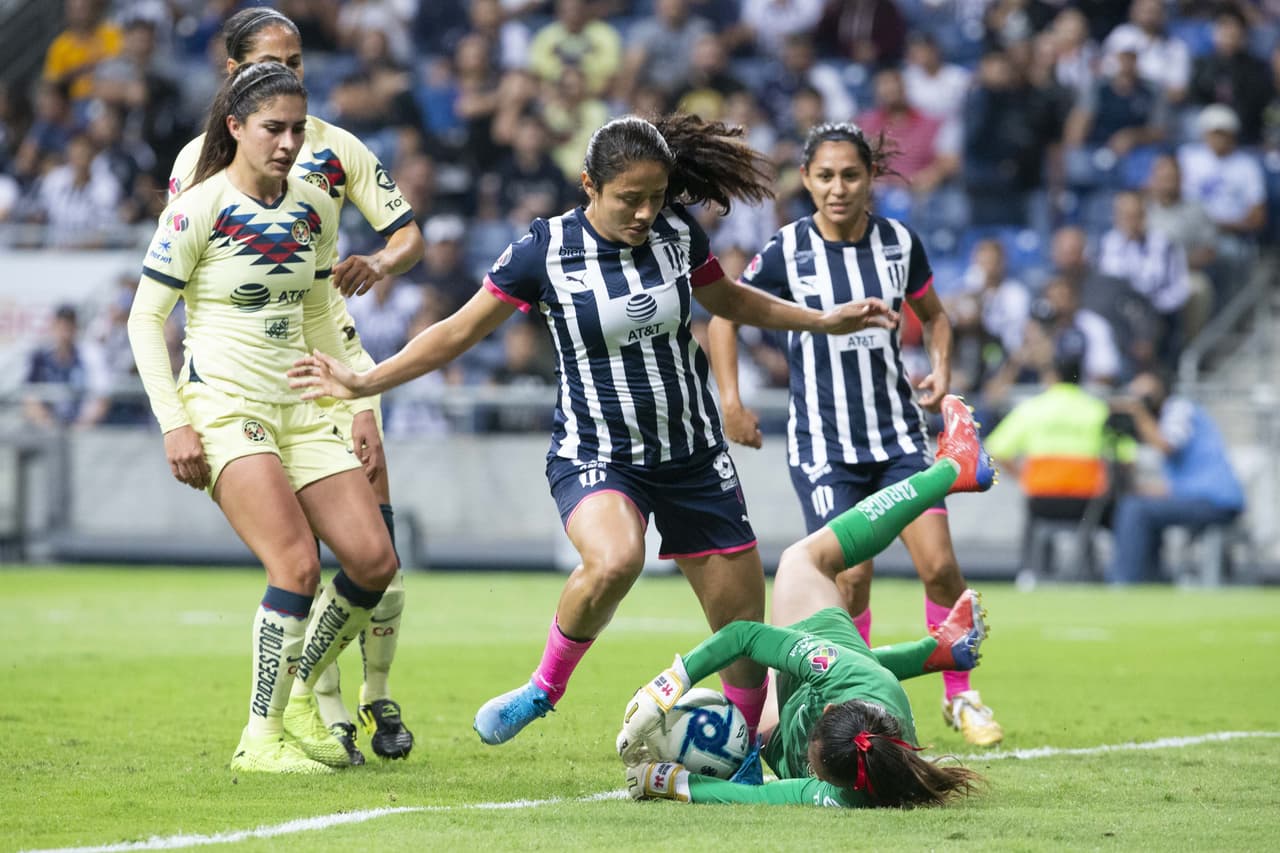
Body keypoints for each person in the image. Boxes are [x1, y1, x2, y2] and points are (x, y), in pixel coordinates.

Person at [289, 114, 899, 749]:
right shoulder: (543, 249)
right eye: (628, 199)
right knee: (615, 560)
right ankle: (542, 690)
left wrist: (823, 322)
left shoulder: (676, 235)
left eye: (656, 198)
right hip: (598, 452)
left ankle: (743, 745)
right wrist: (368, 382)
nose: (644, 213)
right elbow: (458, 331)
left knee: (741, 632)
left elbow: (732, 303)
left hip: (692, 455)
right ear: (589, 185)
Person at [168, 7, 424, 765]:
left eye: (299, 60)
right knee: (297, 559)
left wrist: (380, 264)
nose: (292, 74)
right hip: (244, 376)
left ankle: (351, 691)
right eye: (271, 62)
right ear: (232, 78)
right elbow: (186, 285)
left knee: (377, 557)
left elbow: (407, 234)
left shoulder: (335, 151)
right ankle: (320, 707)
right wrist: (194, 400)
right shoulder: (197, 169)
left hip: (332, 363)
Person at [706, 122, 1004, 746]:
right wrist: (730, 402)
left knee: (942, 566)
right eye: (824, 176)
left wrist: (942, 368)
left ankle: (961, 697)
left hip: (896, 435)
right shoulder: (787, 250)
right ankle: (857, 707)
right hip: (825, 448)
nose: (837, 188)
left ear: (871, 178)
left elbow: (937, 316)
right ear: (807, 181)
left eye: (850, 175)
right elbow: (725, 318)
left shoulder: (899, 243)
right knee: (849, 579)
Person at [618, 395, 992, 806]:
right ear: (833, 708)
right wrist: (665, 772)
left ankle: (939, 646)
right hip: (826, 695)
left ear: (829, 708)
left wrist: (665, 709)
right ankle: (953, 470)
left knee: (803, 562)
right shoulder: (853, 748)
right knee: (807, 573)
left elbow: (751, 797)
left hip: (783, 730)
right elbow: (748, 639)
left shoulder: (846, 789)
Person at [1105, 371, 1245, 585]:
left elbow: (1166, 445)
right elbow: (1181, 486)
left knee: (1135, 509)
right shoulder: (1168, 417)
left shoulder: (1179, 408)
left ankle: (1125, 582)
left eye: (1145, 397)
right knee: (1137, 504)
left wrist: (1136, 410)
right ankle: (1151, 581)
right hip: (1202, 498)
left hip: (1217, 501)